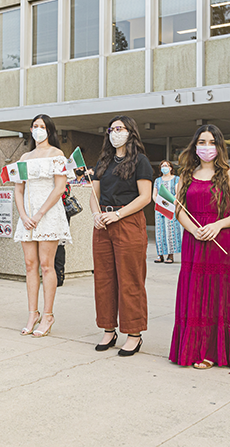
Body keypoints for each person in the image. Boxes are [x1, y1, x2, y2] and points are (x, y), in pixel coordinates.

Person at [169, 125, 230, 369]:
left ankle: (212, 352)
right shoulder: (186, 175)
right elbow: (179, 210)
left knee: (216, 293)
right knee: (193, 291)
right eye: (201, 142)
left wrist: (217, 225)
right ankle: (190, 349)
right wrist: (192, 230)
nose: (206, 147)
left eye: (211, 142)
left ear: (219, 146)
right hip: (193, 240)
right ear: (194, 146)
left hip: (219, 240)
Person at [90, 115, 152, 356]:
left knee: (130, 279)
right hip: (103, 224)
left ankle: (134, 333)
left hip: (128, 221)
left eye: (120, 128)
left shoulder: (140, 161)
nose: (116, 132)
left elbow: (145, 197)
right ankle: (108, 329)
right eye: (112, 129)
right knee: (104, 279)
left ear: (130, 132)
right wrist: (96, 215)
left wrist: (119, 215)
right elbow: (94, 195)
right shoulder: (103, 161)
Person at [13, 114, 72, 337]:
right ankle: (32, 312)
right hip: (27, 215)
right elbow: (19, 189)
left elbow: (59, 188)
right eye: (35, 126)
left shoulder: (57, 155)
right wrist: (24, 215)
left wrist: (39, 214)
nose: (39, 129)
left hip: (47, 214)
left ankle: (48, 314)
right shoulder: (24, 156)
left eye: (43, 126)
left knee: (47, 265)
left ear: (50, 130)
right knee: (30, 265)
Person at [152, 159, 182, 264]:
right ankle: (160, 255)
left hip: (171, 209)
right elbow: (154, 195)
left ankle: (170, 255)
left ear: (171, 168)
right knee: (160, 232)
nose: (164, 167)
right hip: (160, 209)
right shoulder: (157, 181)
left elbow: (177, 194)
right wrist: (160, 203)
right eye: (162, 166)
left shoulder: (176, 179)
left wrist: (169, 204)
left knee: (171, 232)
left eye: (167, 165)